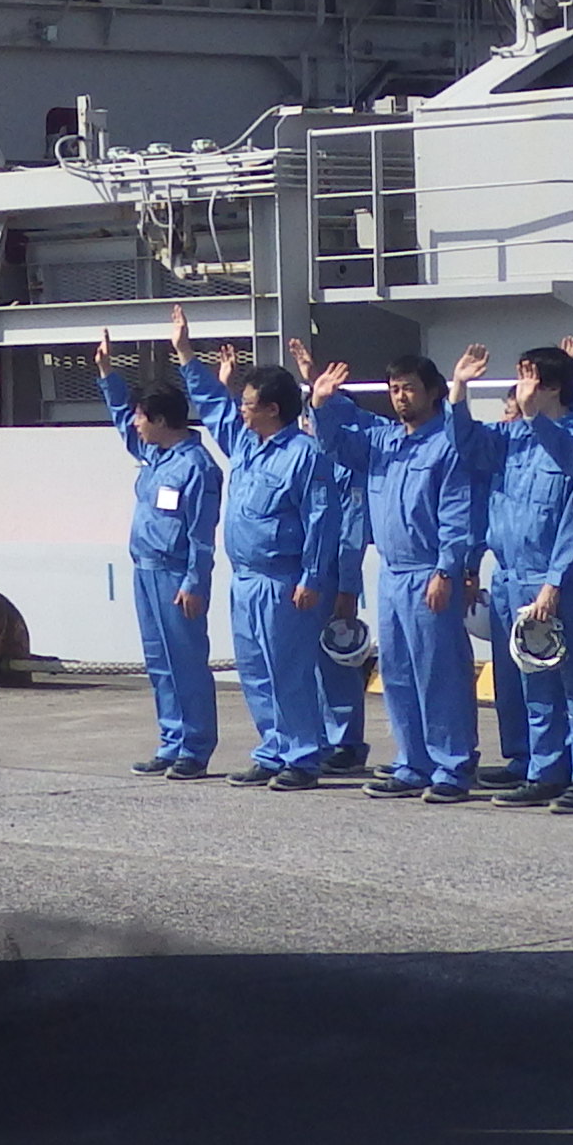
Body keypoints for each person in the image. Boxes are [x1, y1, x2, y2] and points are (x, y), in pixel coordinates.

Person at [178, 306, 368, 789]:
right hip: (246, 580)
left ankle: (302, 756)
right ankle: (273, 748)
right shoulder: (246, 445)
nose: (241, 409)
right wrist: (185, 356)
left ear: (272, 409)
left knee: (289, 671)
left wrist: (312, 576)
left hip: (285, 582)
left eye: (248, 403)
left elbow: (322, 520)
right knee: (255, 670)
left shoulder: (304, 455)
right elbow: (213, 406)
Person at [314, 354, 496, 801]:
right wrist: (320, 404)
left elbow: (457, 513)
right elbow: (336, 444)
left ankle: (452, 765)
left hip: (428, 572)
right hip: (392, 575)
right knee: (397, 673)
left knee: (440, 673)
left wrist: (447, 569)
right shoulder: (383, 441)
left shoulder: (447, 445)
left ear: (433, 392)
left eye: (409, 388)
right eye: (394, 389)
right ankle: (413, 762)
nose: (400, 397)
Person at [465, 341, 573, 809]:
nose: (520, 385)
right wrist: (458, 390)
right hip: (513, 575)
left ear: (551, 386)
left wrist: (555, 581)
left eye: (529, 376)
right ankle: (544, 770)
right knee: (534, 678)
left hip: (555, 581)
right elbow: (467, 443)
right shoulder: (514, 437)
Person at [95, 339, 225, 778]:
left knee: (186, 663)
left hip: (175, 576)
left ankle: (195, 747)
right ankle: (171, 740)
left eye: (142, 416)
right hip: (145, 571)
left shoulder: (198, 467)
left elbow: (201, 535)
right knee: (160, 664)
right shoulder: (155, 455)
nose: (136, 423)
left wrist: (194, 583)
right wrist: (107, 374)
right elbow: (121, 421)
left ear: (162, 420)